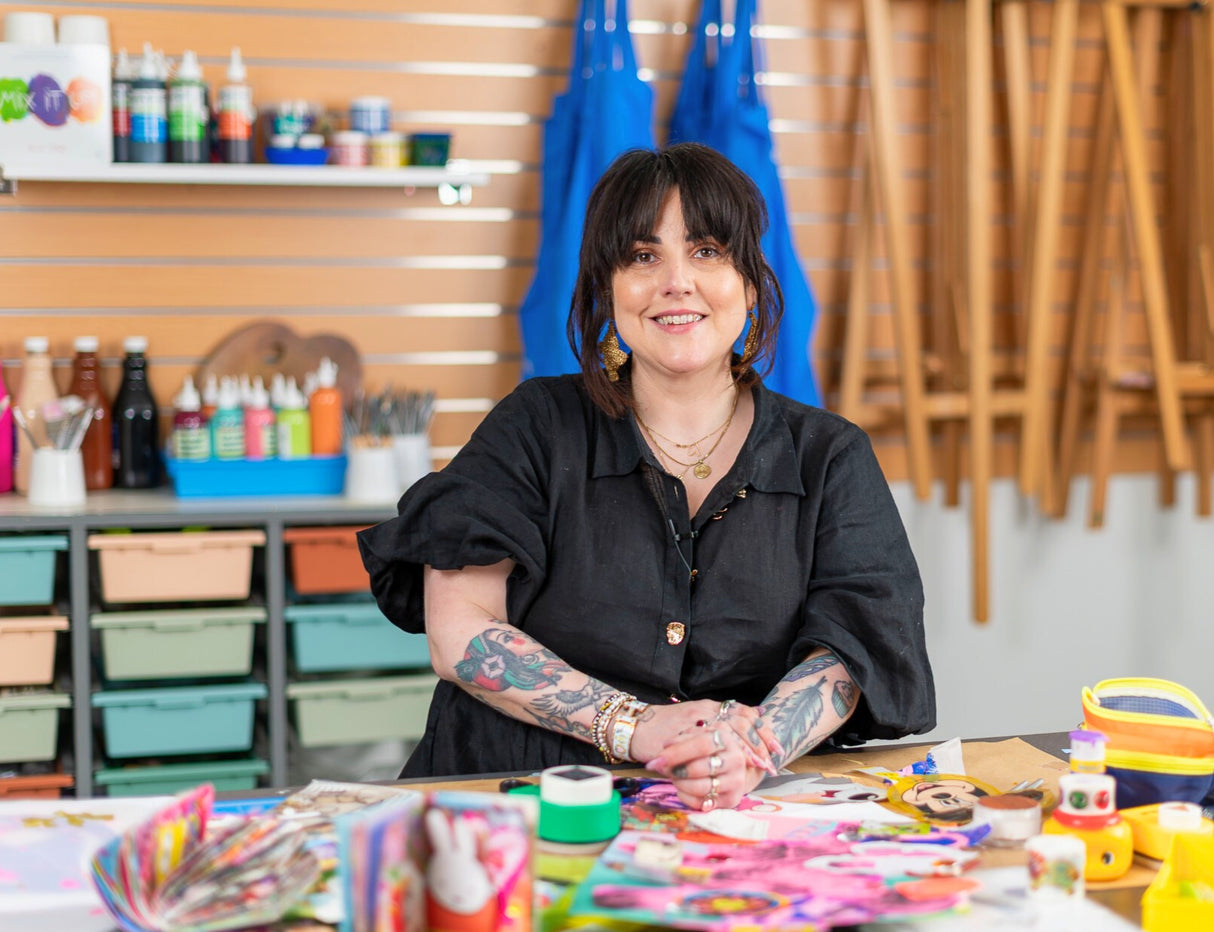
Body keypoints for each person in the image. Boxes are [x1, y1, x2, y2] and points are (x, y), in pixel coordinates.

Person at [358, 142, 935, 811]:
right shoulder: (532, 426)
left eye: (707, 251)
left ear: (750, 282)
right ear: (608, 286)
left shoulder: (830, 455)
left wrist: (751, 749)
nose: (676, 281)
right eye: (641, 256)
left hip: (733, 812)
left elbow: (853, 647)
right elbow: (460, 628)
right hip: (513, 805)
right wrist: (640, 727)